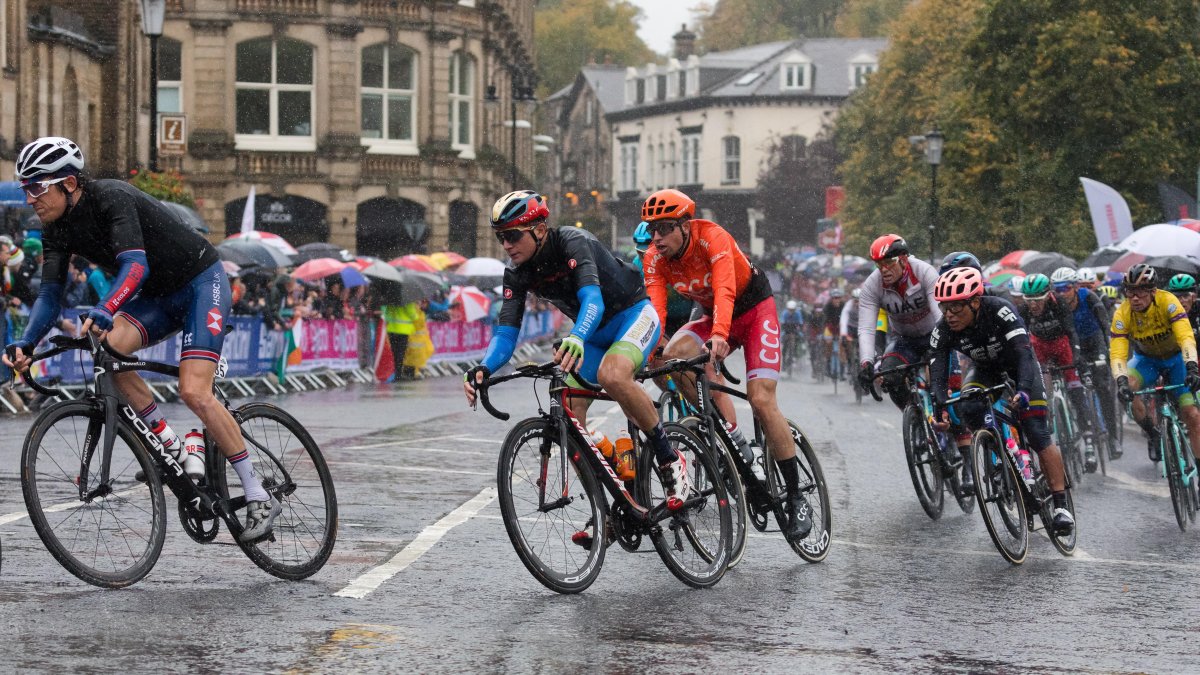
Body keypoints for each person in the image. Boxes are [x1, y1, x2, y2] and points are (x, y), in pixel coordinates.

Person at [1, 136, 280, 542]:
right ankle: (174, 446)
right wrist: (26, 343)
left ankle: (257, 493)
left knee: (194, 391)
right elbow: (49, 294)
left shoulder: (112, 196)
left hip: (200, 282)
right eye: (26, 187)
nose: (30, 197)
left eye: (36, 187)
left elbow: (135, 264)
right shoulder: (55, 228)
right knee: (109, 353)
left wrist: (107, 307)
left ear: (69, 183)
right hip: (156, 296)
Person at [461, 191, 687, 508]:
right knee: (568, 411)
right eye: (501, 238)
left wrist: (577, 336)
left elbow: (592, 299)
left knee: (613, 374)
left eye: (512, 235)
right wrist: (483, 368)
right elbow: (507, 331)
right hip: (593, 334)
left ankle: (669, 458)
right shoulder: (517, 271)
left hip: (633, 315)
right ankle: (607, 503)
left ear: (539, 229)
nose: (507, 245)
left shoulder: (571, 241)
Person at [640, 188, 812, 539]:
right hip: (712, 316)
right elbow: (655, 312)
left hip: (753, 311)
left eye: (664, 228)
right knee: (670, 358)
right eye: (651, 229)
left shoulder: (712, 237)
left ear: (686, 225)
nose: (655, 237)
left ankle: (796, 497)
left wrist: (720, 334)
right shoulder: (654, 259)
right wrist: (646, 348)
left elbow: (724, 290)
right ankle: (725, 434)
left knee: (762, 400)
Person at [928, 267, 1075, 535]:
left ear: (974, 301)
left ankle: (1061, 505)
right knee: (969, 407)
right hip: (984, 369)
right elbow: (937, 373)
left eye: (956, 308)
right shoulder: (943, 329)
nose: (949, 315)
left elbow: (1023, 354)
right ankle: (1002, 458)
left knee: (1036, 430)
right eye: (943, 308)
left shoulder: (1000, 310)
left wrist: (1025, 391)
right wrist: (939, 407)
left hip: (1020, 367)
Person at [1110, 263, 1200, 464]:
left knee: (1192, 415)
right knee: (1129, 391)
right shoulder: (1123, 313)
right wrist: (1122, 381)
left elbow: (1185, 336)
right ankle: (1153, 433)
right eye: (1130, 292)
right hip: (1146, 361)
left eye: (1140, 292)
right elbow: (1117, 352)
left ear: (1152, 291)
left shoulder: (1168, 301)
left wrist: (1192, 367)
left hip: (1177, 360)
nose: (1134, 297)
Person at [1018, 273, 1097, 471]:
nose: (1033, 305)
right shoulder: (1023, 310)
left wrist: (1077, 358)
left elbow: (1071, 332)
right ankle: (1049, 419)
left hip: (1062, 345)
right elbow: (1022, 340)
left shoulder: (1059, 303)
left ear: (1048, 295)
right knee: (1042, 388)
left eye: (1037, 300)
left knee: (1074, 386)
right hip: (1040, 346)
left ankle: (1088, 440)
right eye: (1029, 301)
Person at [855, 234, 943, 410]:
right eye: (879, 264)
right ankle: (915, 418)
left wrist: (941, 350)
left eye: (889, 262)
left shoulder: (924, 272)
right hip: (904, 340)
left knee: (945, 391)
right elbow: (866, 328)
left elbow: (940, 315)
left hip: (936, 335)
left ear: (903, 259)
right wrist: (866, 362)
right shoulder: (872, 285)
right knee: (890, 379)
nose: (884, 269)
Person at [1052, 266, 1118, 455]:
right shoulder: (1056, 304)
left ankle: (1112, 437)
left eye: (1065, 288)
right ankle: (1079, 427)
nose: (1061, 293)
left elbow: (1105, 326)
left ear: (1075, 287)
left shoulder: (1088, 297)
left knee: (1103, 388)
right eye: (1057, 289)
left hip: (1095, 341)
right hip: (1073, 345)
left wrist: (1108, 352)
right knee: (1075, 389)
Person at [1168, 273, 1200, 343]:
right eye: (1177, 297)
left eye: (1185, 296)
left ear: (1194, 297)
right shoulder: (1167, 310)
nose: (1181, 301)